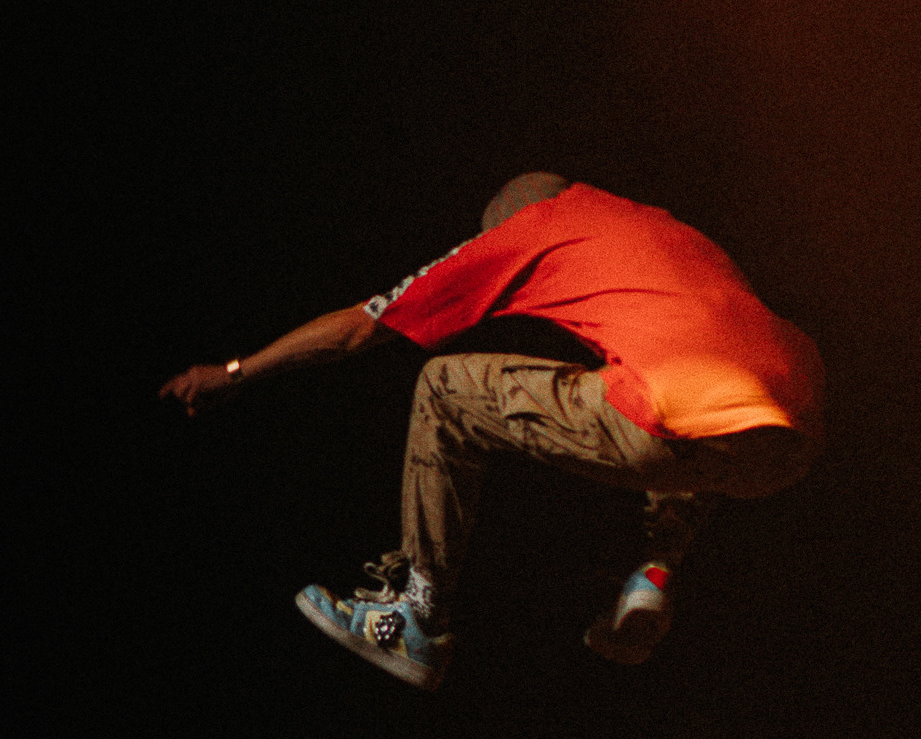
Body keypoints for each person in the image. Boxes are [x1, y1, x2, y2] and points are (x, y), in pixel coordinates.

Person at [159, 173, 824, 690]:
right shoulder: (653, 225)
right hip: (792, 429)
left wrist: (237, 370)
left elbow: (359, 328)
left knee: (445, 387)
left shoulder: (532, 227)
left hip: (688, 400)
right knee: (676, 402)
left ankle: (415, 616)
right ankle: (654, 573)